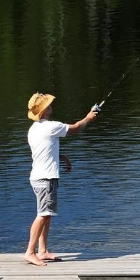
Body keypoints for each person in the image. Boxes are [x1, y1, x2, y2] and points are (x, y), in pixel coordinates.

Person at [24, 92, 98, 266]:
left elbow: (44, 150)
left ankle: (42, 251)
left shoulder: (34, 129)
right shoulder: (50, 127)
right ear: (43, 110)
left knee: (46, 215)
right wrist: (88, 118)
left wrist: (61, 156)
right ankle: (30, 252)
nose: (51, 107)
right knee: (42, 215)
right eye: (48, 105)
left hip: (39, 177)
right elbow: (76, 128)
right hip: (45, 178)